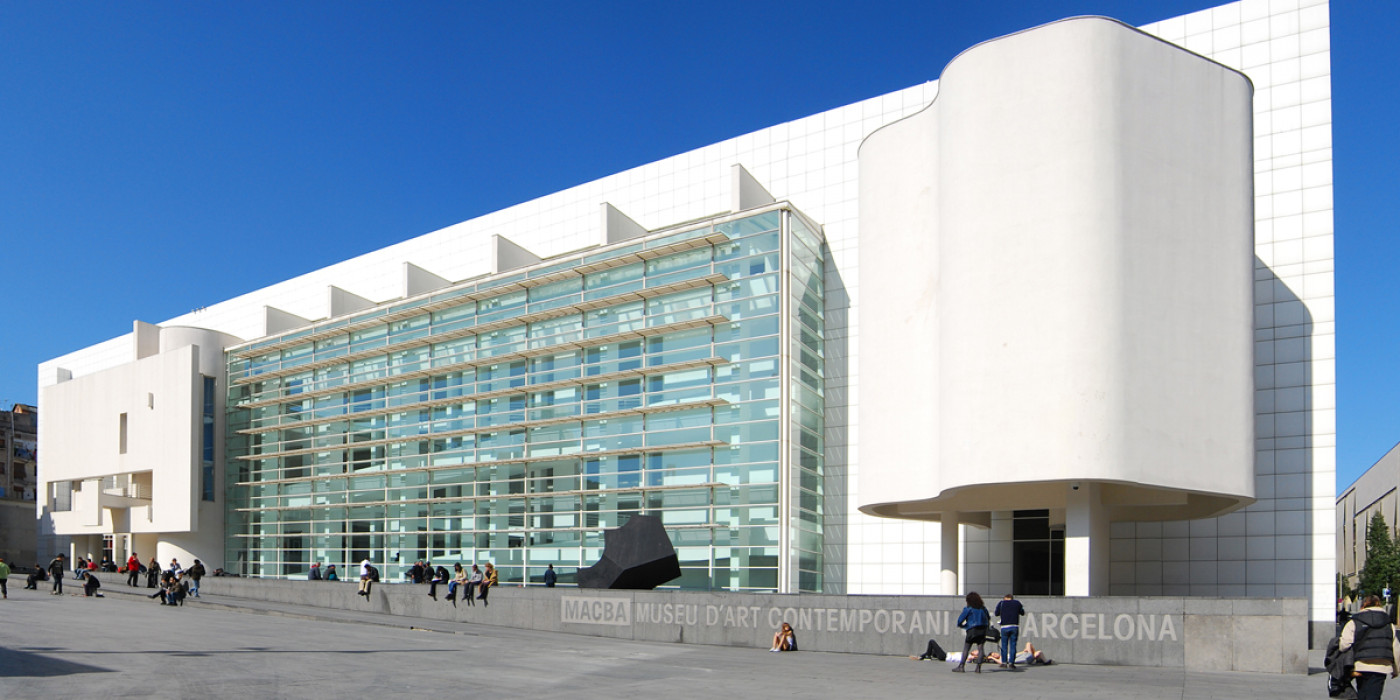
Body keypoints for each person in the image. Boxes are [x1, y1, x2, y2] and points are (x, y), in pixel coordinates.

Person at [1339, 594, 1400, 700]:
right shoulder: (1388, 624)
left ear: (1363, 606)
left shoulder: (1354, 622)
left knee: (1362, 694)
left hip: (1360, 665)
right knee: (1375, 695)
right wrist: (1396, 669)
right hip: (1381, 666)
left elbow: (1344, 645)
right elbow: (1396, 647)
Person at [954, 591, 990, 673]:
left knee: (966, 648)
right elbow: (988, 618)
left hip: (972, 630)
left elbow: (960, 620)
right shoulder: (983, 609)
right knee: (980, 648)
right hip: (982, 630)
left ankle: (961, 666)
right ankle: (978, 667)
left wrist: (963, 626)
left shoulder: (968, 609)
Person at [994, 593, 1026, 669]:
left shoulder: (1001, 603)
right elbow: (1022, 612)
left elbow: (996, 613)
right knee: (1013, 645)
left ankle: (1004, 663)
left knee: (1004, 645)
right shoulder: (1017, 603)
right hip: (1014, 627)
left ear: (1005, 598)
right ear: (1012, 598)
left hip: (1004, 627)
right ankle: (1011, 663)